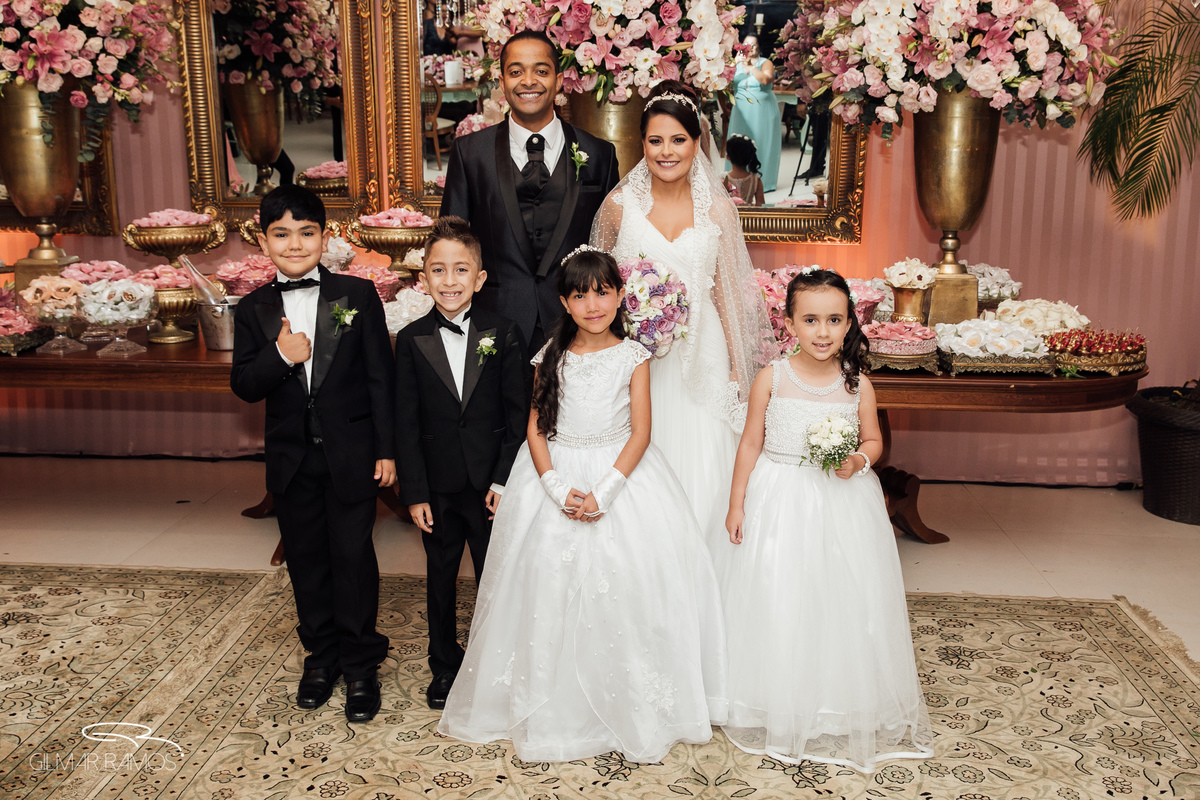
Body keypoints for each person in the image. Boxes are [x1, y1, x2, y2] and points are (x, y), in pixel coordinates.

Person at [437, 249, 727, 763]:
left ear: (620, 296)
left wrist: (606, 491)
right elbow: (535, 425)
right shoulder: (551, 354)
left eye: (602, 291)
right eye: (579, 294)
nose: (592, 304)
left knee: (625, 583)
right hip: (556, 473)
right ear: (565, 302)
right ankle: (552, 696)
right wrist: (552, 486)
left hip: (620, 476)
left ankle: (623, 695)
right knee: (545, 581)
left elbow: (641, 433)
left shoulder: (633, 357)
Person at [719, 268, 933, 772]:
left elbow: (874, 442)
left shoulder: (858, 383)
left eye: (834, 320)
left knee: (840, 593)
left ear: (848, 323)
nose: (822, 331)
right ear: (788, 322)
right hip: (780, 496)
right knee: (781, 591)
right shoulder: (771, 378)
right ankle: (772, 696)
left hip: (841, 500)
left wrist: (857, 461)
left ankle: (839, 700)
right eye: (810, 319)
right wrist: (735, 501)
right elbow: (750, 442)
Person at [230, 185, 394, 723]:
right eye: (281, 234)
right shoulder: (253, 309)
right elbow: (245, 385)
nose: (295, 244)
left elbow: (380, 380)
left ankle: (361, 662)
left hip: (351, 455)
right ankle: (320, 657)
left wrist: (388, 451)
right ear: (263, 240)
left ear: (326, 237)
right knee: (306, 562)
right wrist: (280, 355)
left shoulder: (356, 295)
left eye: (307, 232)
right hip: (292, 460)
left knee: (353, 558)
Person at [590, 80, 773, 540]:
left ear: (697, 143)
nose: (666, 152)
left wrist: (736, 367)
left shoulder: (718, 210)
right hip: (637, 357)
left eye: (678, 140)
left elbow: (729, 295)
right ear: (642, 143)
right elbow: (597, 290)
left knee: (703, 461)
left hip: (704, 354)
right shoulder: (617, 207)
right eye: (655, 140)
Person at [393, 216, 530, 711]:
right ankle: (444, 666)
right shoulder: (410, 341)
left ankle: (497, 662)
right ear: (423, 278)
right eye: (438, 270)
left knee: (497, 575)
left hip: (491, 486)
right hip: (439, 486)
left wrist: (504, 479)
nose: (449, 281)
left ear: (480, 277)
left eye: (460, 270)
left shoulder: (505, 332)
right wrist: (415, 492)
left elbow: (519, 418)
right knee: (440, 577)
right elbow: (404, 423)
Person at [441, 30, 620, 353]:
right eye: (515, 71)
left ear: (559, 78)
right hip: (492, 327)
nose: (528, 81)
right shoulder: (470, 153)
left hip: (577, 329)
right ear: (502, 80)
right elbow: (451, 244)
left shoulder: (600, 154)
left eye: (540, 70)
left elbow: (610, 247)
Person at [726, 36, 782, 193]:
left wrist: (751, 68)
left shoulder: (765, 62)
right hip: (741, 110)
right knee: (736, 143)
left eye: (753, 44)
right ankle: (735, 182)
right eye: (746, 44)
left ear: (758, 47)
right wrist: (735, 62)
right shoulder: (736, 63)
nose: (749, 47)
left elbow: (766, 79)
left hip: (762, 109)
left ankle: (764, 182)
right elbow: (723, 80)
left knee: (762, 142)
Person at [722, 134, 765, 206]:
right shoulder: (756, 181)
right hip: (748, 216)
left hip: (730, 216)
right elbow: (760, 206)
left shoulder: (722, 179)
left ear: (727, 157)